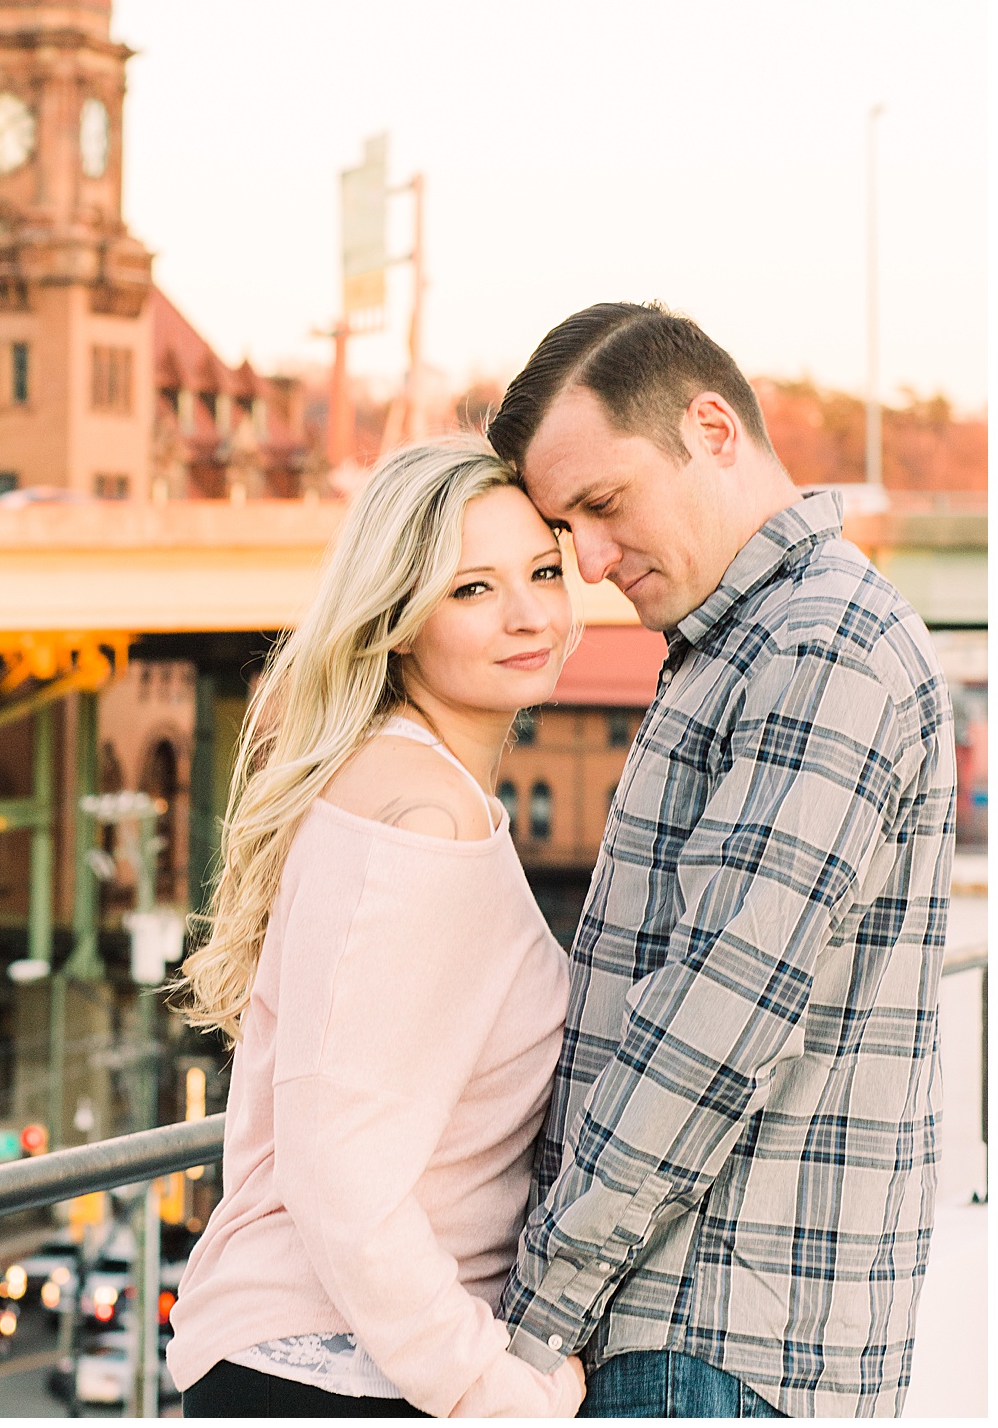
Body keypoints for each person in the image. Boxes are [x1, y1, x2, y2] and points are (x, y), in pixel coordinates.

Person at [486, 302, 955, 1420]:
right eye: (568, 529)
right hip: (707, 1334)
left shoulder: (818, 642)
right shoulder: (743, 642)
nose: (590, 562)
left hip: (701, 1341)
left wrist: (532, 1319)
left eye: (603, 505)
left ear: (712, 427)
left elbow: (713, 1023)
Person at [166, 435, 587, 1419]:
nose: (530, 614)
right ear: (398, 620)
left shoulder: (395, 783)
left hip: (323, 1361)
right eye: (472, 589)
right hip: (335, 1373)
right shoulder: (420, 819)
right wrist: (496, 1390)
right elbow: (338, 1171)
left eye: (542, 571)